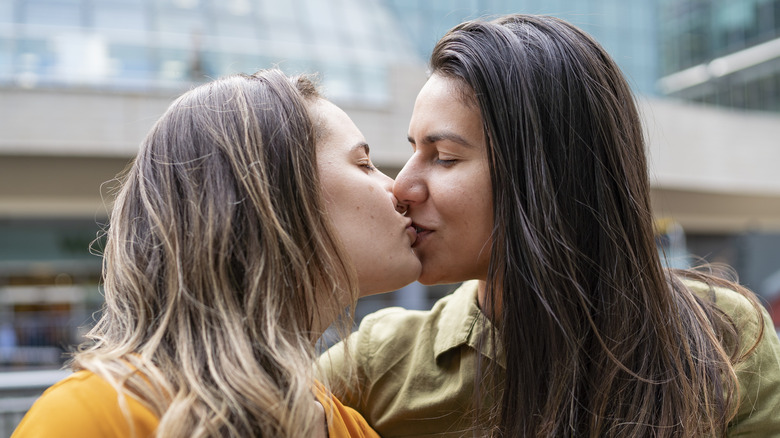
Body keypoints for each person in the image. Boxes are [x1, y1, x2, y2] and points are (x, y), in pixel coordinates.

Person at [319, 14, 780, 437]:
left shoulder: (723, 336)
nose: (401, 187)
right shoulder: (377, 362)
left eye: (444, 157)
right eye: (412, 150)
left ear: (549, 175)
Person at [13, 69, 420, 437]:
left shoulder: (348, 427)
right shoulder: (89, 419)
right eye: (364, 163)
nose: (399, 191)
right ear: (273, 198)